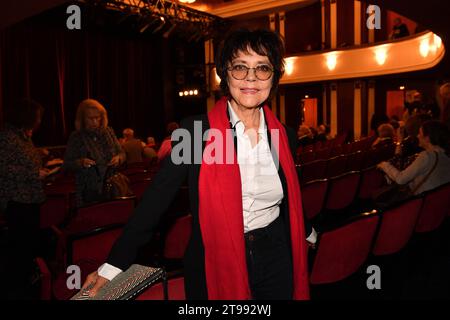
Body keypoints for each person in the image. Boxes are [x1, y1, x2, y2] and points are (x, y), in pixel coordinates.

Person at [82, 28, 315, 300]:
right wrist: (112, 266)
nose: (251, 78)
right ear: (224, 74)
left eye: (262, 68)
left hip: (275, 252)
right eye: (240, 67)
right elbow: (156, 200)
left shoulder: (283, 135)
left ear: (274, 76)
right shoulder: (196, 133)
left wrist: (307, 230)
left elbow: (288, 193)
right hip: (213, 258)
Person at [0, 99, 49, 299]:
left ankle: (30, 281)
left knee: (29, 245)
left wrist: (40, 156)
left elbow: (23, 159)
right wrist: (33, 173)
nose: (39, 121)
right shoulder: (6, 136)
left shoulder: (23, 136)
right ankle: (17, 287)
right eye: (37, 116)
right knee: (19, 247)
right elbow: (4, 168)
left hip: (31, 198)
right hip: (16, 199)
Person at [63, 99, 126, 207]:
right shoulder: (76, 137)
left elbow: (122, 153)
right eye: (91, 118)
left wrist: (119, 158)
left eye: (98, 117)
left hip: (112, 188)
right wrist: (81, 162)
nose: (95, 122)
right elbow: (67, 164)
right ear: (82, 119)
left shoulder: (108, 132)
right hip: (88, 191)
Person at [378, 120, 450, 195]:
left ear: (427, 138)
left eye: (420, 133)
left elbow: (401, 179)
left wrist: (385, 165)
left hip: (420, 202)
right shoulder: (445, 156)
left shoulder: (427, 156)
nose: (417, 136)